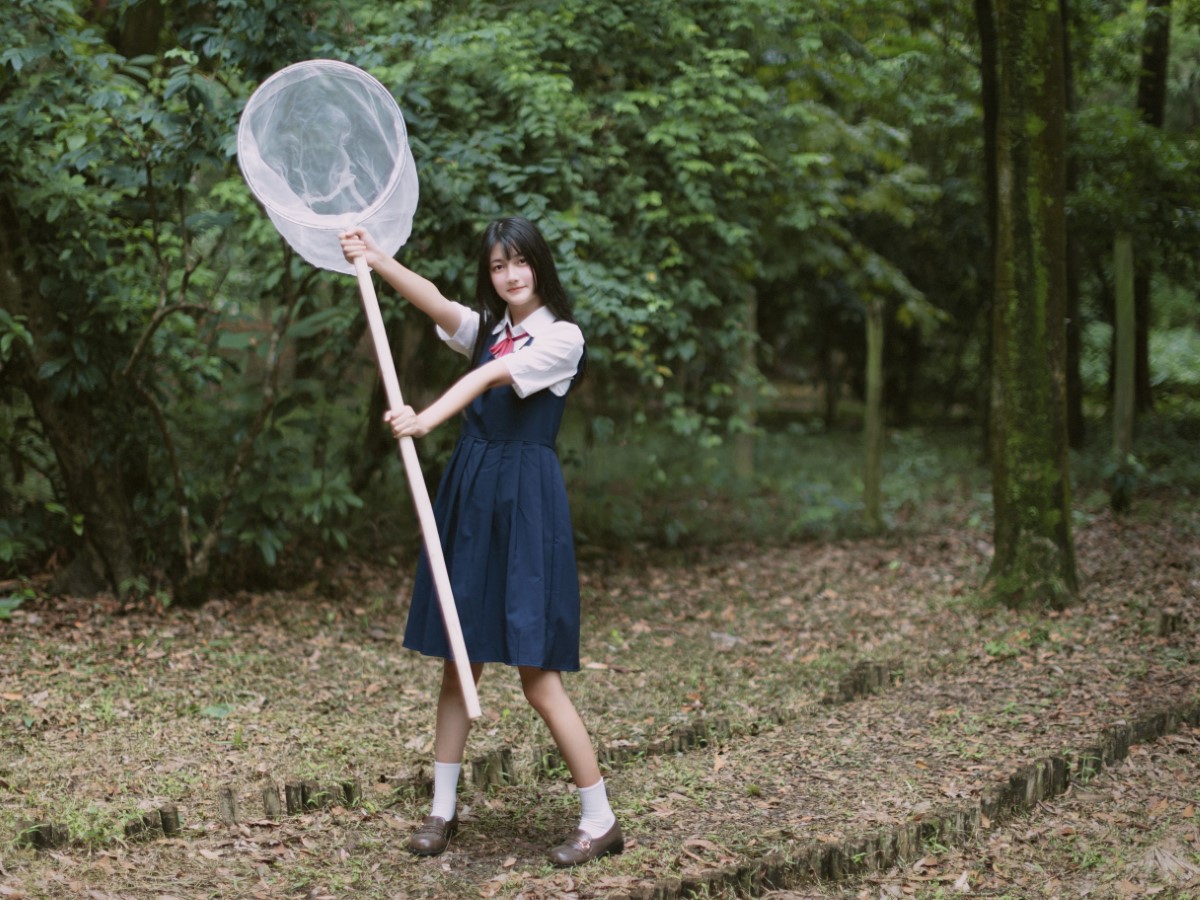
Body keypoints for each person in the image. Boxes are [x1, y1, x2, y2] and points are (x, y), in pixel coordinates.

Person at [339, 218, 622, 867]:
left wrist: (423, 419)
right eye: (498, 266)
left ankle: (600, 819)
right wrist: (375, 257)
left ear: (539, 266)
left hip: (525, 504)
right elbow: (438, 304)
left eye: (520, 262)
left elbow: (488, 379)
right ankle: (441, 810)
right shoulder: (492, 330)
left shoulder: (562, 338)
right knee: (457, 662)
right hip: (472, 497)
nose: (510, 275)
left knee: (538, 677)